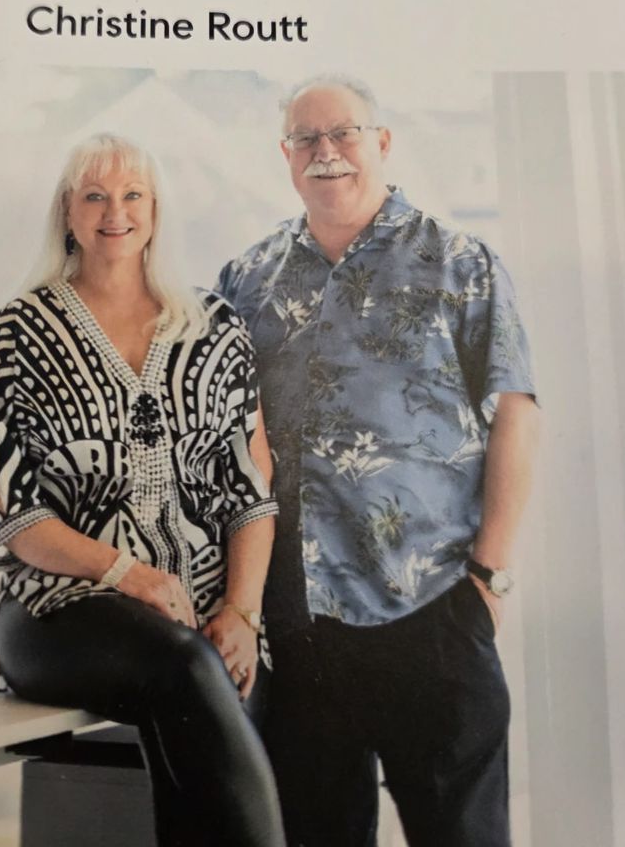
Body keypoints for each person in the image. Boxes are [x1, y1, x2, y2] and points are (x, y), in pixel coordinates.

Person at [216, 76, 538, 847]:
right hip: (298, 634)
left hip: (430, 612)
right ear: (286, 155)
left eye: (344, 133)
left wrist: (489, 576)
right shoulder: (247, 280)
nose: (325, 151)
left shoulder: (461, 265)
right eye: (306, 138)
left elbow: (517, 416)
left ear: (382, 142)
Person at [0, 132, 285, 847]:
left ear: (157, 209)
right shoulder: (19, 332)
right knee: (187, 666)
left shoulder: (215, 327)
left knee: (218, 684)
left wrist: (242, 611)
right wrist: (129, 574)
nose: (116, 212)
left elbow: (252, 491)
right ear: (68, 212)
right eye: (95, 196)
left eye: (133, 195)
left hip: (206, 613)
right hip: (59, 608)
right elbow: (8, 512)